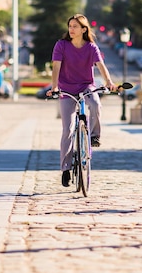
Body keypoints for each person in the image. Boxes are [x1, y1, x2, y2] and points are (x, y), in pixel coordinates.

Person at [47, 14, 116, 187]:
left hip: (86, 86)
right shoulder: (61, 45)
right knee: (68, 130)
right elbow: (56, 67)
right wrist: (55, 87)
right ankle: (65, 169)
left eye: (75, 26)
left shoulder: (91, 48)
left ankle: (94, 135)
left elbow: (101, 67)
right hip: (66, 89)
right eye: (70, 26)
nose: (71, 29)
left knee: (96, 103)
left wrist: (109, 82)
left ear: (84, 29)